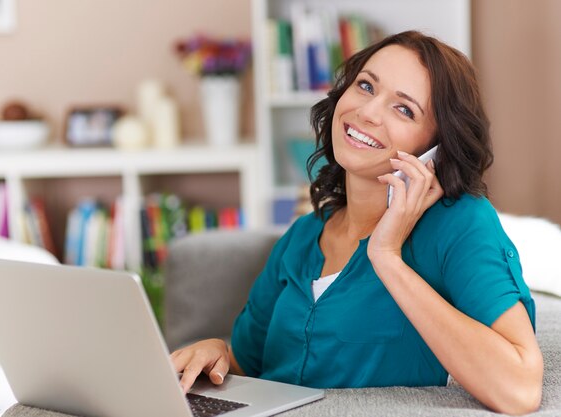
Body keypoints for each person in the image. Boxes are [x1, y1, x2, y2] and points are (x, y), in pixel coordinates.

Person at [170, 31, 543, 415]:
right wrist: (214, 351)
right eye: (365, 86)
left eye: (404, 109)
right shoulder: (302, 236)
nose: (368, 112)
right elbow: (245, 362)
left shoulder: (459, 225)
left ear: (435, 151)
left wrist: (387, 258)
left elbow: (519, 388)